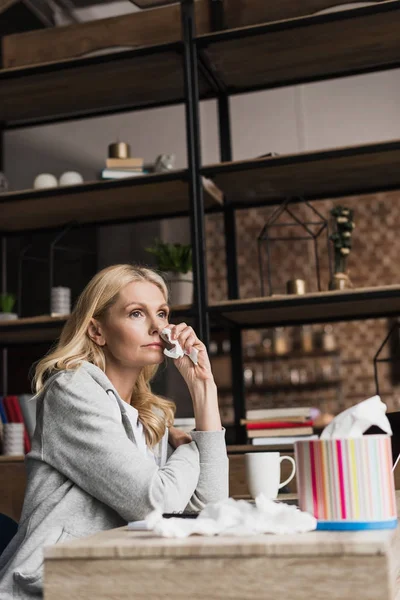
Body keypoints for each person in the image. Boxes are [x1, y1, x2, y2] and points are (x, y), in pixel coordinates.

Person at [0, 264, 228, 599]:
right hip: (48, 587)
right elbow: (154, 502)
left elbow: (208, 508)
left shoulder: (148, 414)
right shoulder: (71, 390)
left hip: (111, 581)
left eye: (162, 313)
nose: (158, 328)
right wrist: (190, 449)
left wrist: (203, 389)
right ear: (97, 331)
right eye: (137, 313)